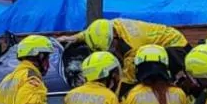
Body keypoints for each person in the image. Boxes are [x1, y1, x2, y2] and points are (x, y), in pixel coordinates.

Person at [59, 18, 189, 87]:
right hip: (161, 42)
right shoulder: (110, 26)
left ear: (115, 36)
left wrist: (114, 96)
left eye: (111, 48)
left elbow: (127, 79)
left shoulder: (132, 46)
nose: (112, 51)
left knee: (147, 75)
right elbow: (90, 33)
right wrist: (72, 38)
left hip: (176, 46)